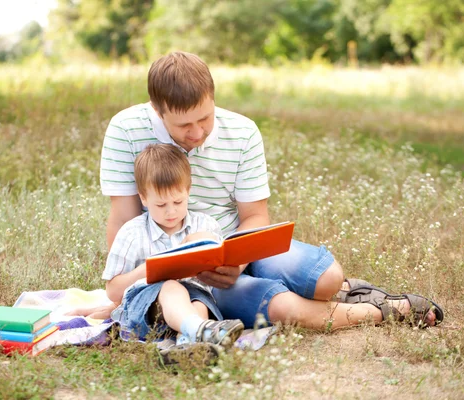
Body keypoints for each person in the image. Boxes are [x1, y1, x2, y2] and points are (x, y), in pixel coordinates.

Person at [95, 51, 444, 331]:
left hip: (237, 245)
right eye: (184, 125)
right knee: (283, 307)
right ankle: (385, 309)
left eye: (205, 118)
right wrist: (131, 289)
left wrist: (237, 259)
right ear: (157, 111)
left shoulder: (243, 132)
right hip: (183, 274)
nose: (198, 132)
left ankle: (344, 289)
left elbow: (255, 216)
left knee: (328, 278)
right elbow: (124, 218)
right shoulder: (126, 130)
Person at [102, 143, 245, 356]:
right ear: (143, 198)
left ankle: (188, 346)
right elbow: (113, 290)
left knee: (198, 302)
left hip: (195, 298)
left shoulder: (205, 225)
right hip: (146, 309)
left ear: (188, 191)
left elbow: (219, 273)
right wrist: (149, 270)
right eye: (161, 205)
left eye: (178, 201)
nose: (171, 211)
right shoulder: (132, 233)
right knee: (171, 287)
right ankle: (201, 332)